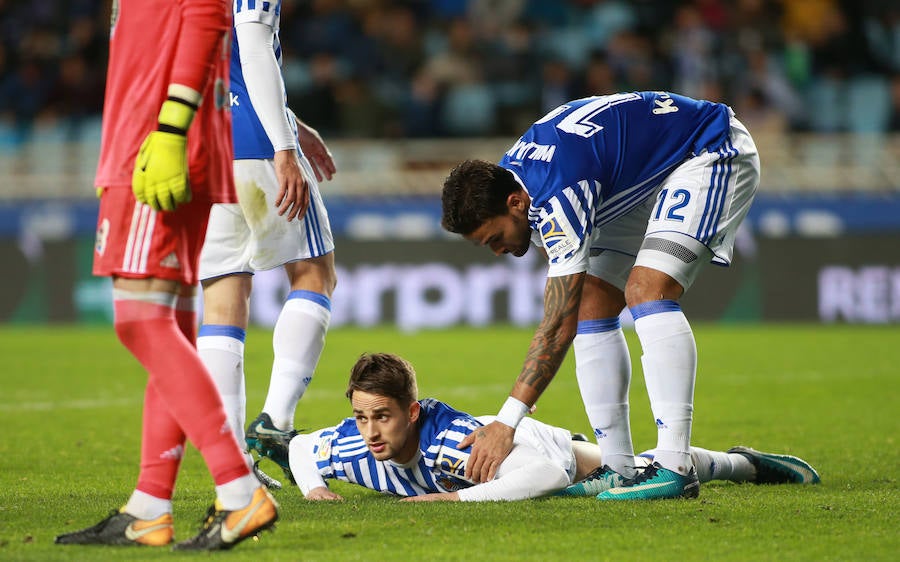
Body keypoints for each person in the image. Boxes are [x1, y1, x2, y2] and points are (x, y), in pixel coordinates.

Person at [440, 91, 761, 500]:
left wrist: (507, 421)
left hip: (708, 149)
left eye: (495, 238)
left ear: (515, 203)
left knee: (647, 290)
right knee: (592, 300)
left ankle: (676, 465)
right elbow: (569, 301)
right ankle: (618, 467)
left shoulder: (558, 192)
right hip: (643, 178)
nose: (498, 251)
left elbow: (557, 324)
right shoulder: (516, 182)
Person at [54, 0, 278, 551]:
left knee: (140, 323)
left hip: (156, 144)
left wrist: (172, 125)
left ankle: (238, 488)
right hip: (161, 140)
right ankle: (149, 509)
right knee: (167, 328)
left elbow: (206, 14)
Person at [284, 353, 819, 502]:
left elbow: (542, 472)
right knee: (629, 472)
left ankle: (741, 464)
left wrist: (453, 502)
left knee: (633, 473)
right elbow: (304, 446)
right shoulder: (352, 444)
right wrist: (313, 488)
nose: (371, 431)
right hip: (530, 461)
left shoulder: (452, 443)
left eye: (383, 416)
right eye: (362, 416)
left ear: (413, 411)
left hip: (535, 448)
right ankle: (734, 460)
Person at [197, 0, 337, 489]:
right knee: (314, 271)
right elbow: (254, 49)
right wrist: (283, 146)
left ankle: (234, 463)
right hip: (256, 145)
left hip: (205, 146)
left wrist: (294, 124)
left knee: (222, 300)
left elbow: (223, 68)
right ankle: (275, 422)